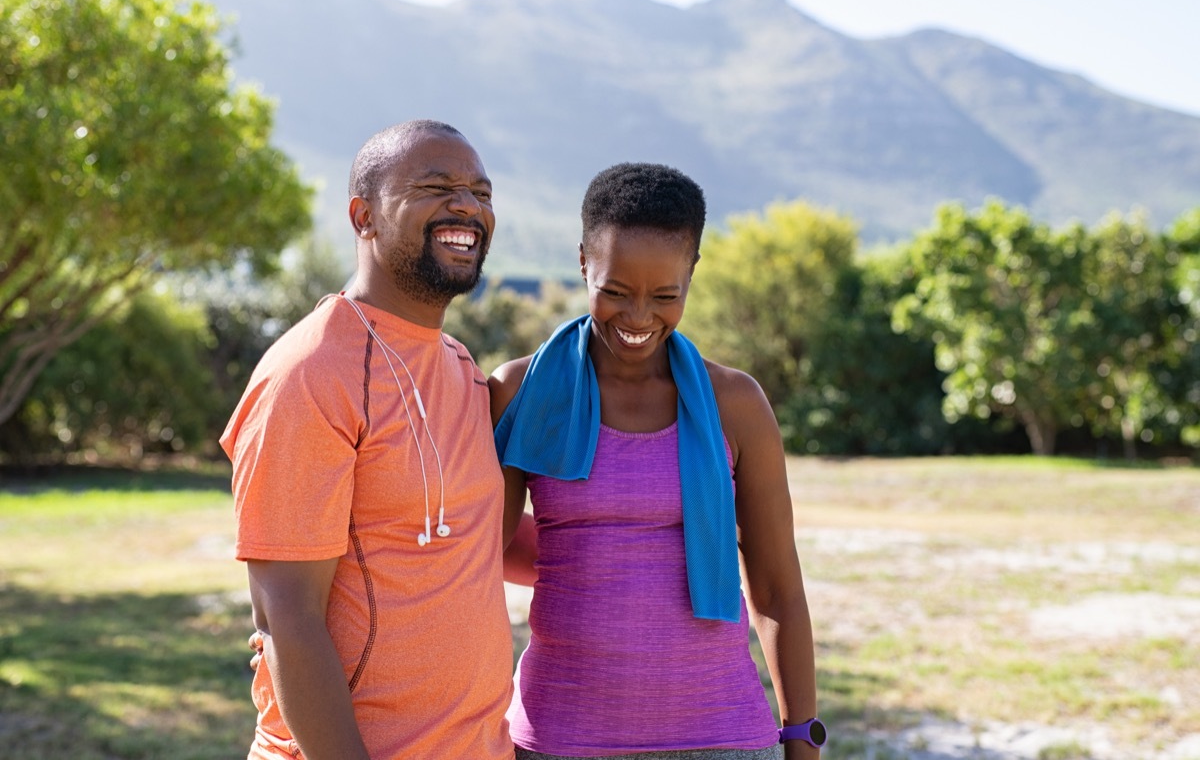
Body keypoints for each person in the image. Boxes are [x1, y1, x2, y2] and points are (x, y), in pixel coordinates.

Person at [489, 163, 823, 760]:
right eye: (615, 291)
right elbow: (476, 561)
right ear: (584, 263)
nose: (640, 317)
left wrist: (802, 739)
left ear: (692, 273)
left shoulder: (736, 405)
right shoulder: (521, 394)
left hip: (723, 738)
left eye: (666, 295)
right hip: (560, 739)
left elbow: (776, 589)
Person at [220, 120, 514, 760]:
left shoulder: (460, 367)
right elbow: (286, 621)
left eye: (481, 192)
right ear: (365, 217)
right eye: (436, 187)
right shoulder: (310, 373)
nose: (466, 205)